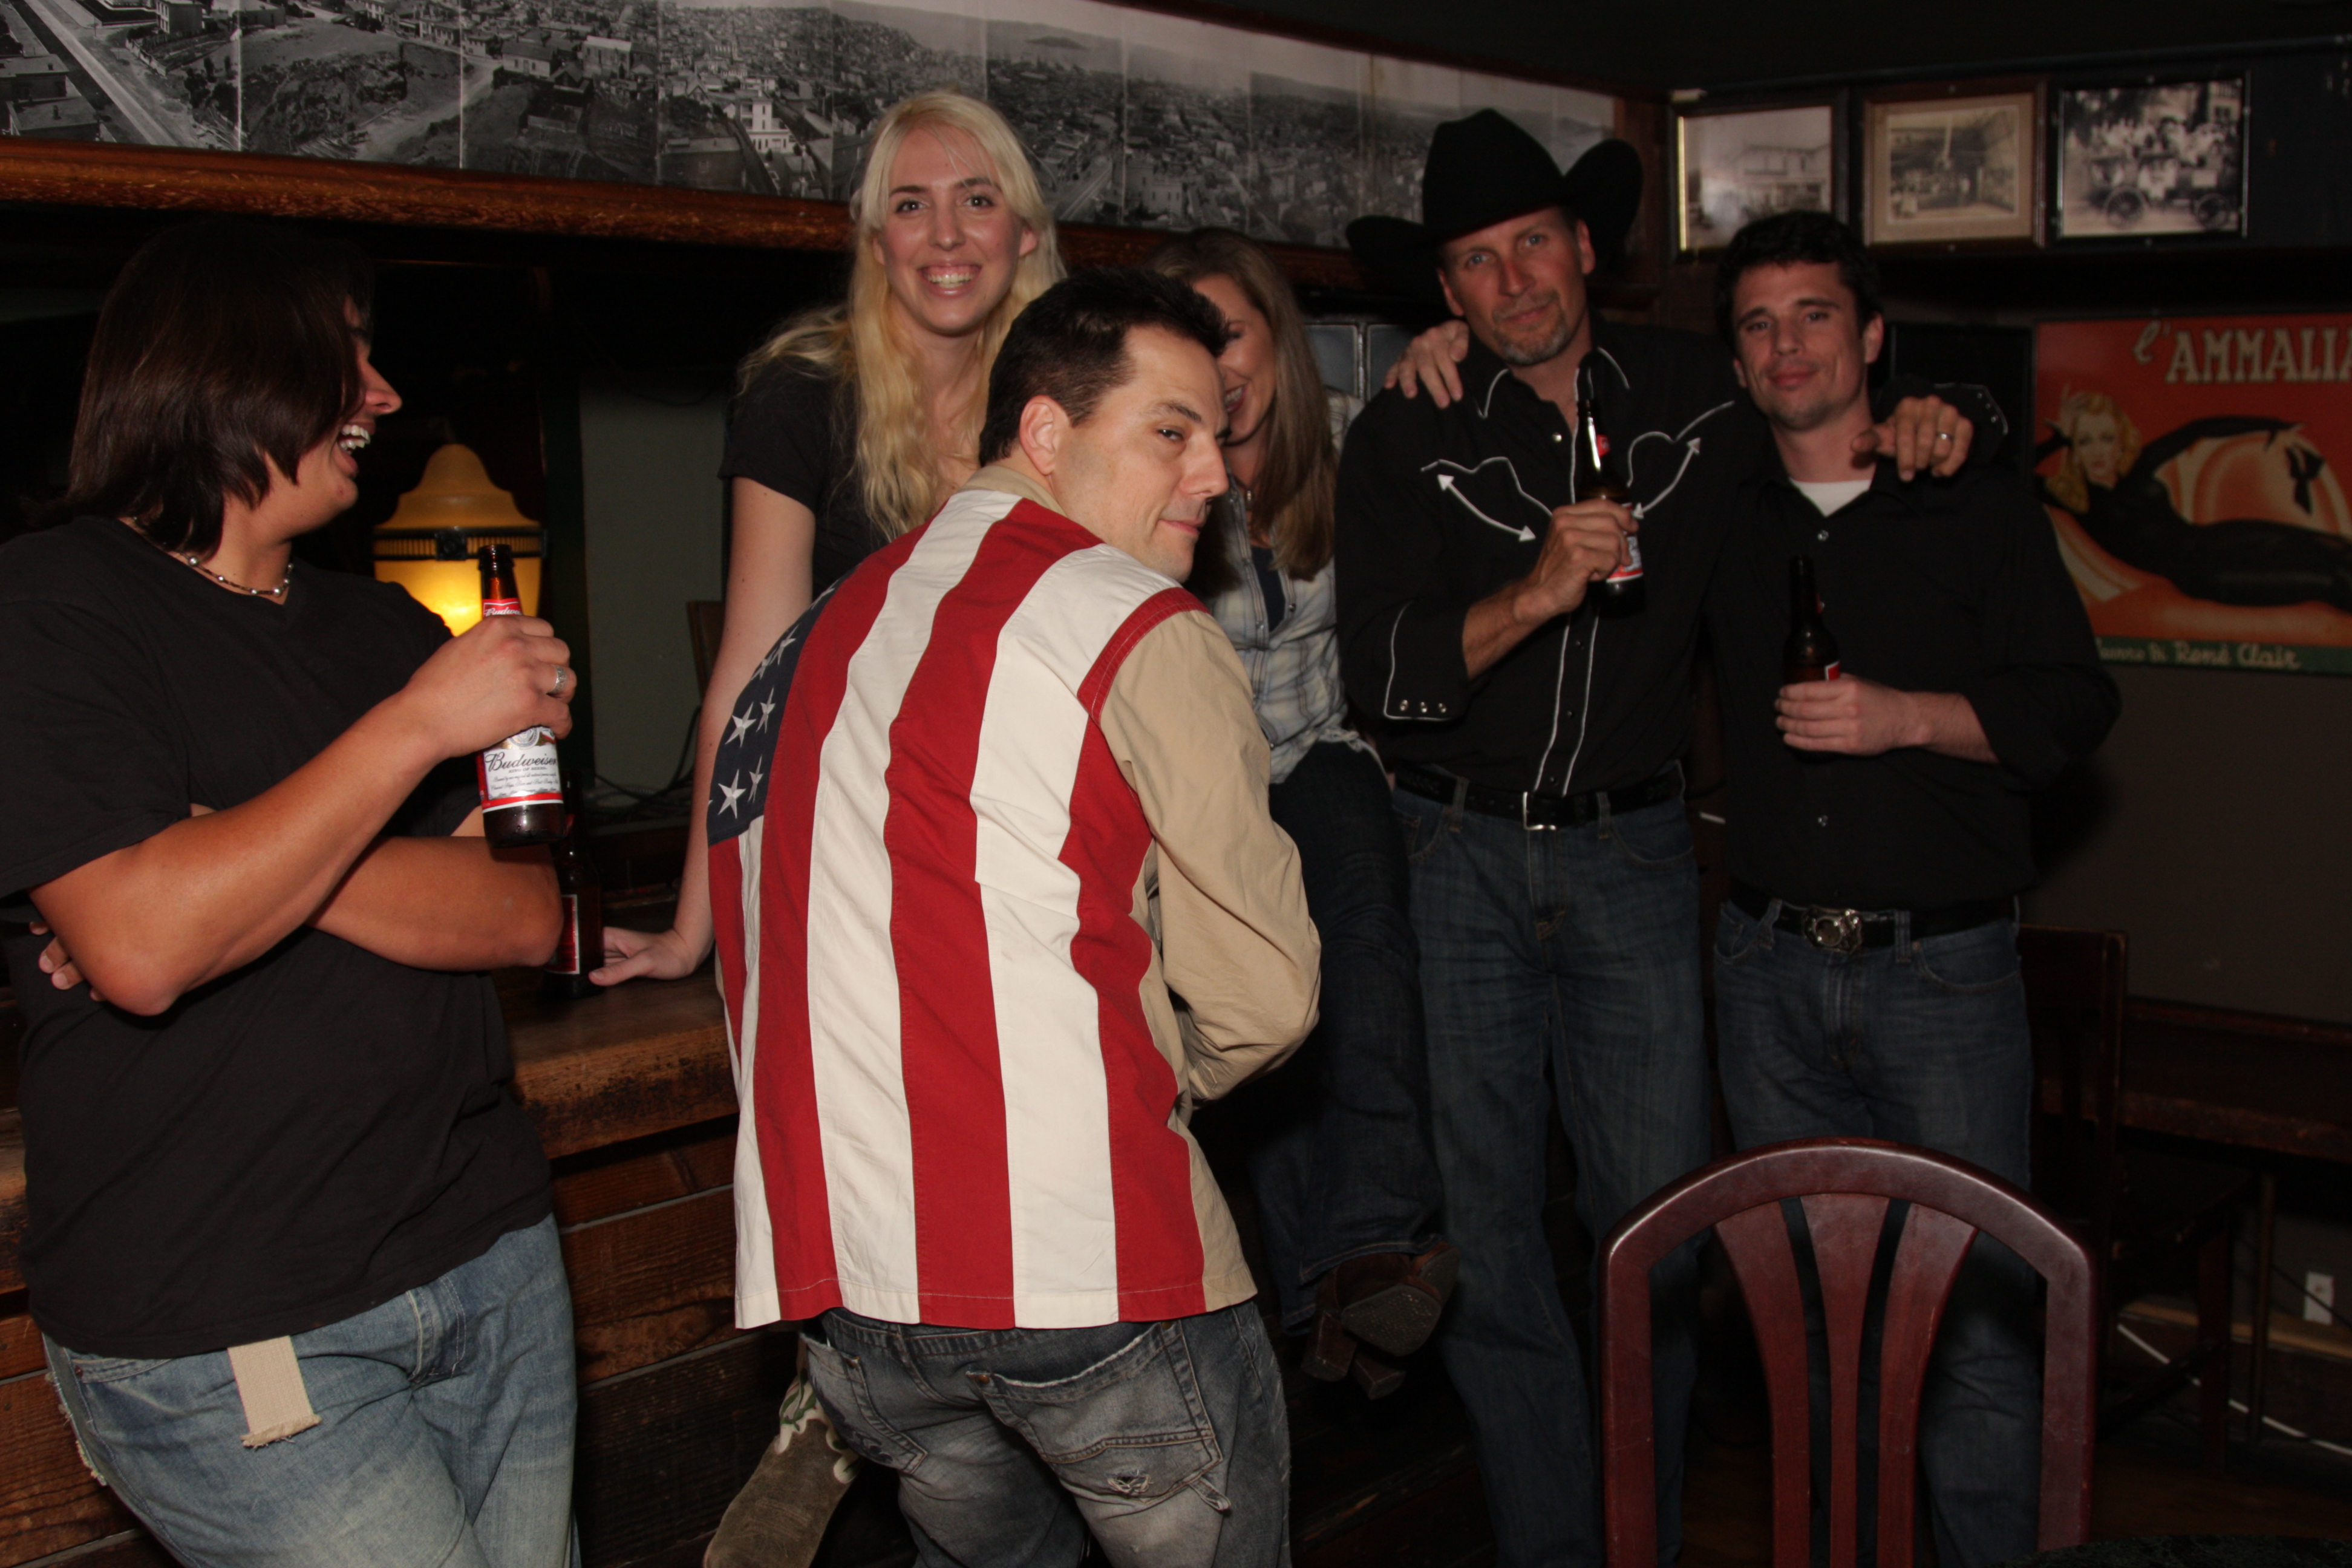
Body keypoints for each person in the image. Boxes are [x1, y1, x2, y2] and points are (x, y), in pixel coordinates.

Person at [1334, 109, 1988, 1568]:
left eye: (1531, 244)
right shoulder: (1406, 429)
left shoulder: (1701, 396)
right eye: (1474, 263)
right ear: (1444, 291)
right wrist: (1530, 593)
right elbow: (1380, 680)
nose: (1511, 282)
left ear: (1584, 246)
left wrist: (1948, 415)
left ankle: (1643, 1545)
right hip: (1452, 857)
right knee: (1491, 1242)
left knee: (1659, 1234)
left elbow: (1833, 401)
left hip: (1630, 859)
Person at [705, 268, 1321, 1568]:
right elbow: (1265, 997)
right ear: (1045, 430)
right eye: (1171, 431)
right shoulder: (1135, 620)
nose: (1214, 476)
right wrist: (1144, 1078)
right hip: (1092, 1277)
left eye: (1219, 435)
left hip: (854, 1312)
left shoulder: (799, 648)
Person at [0, 219, 580, 1567]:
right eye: (348, 351)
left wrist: (223, 853)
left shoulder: (387, 629)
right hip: (231, 1312)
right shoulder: (49, 604)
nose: (383, 392)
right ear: (228, 359)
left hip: (487, 1256)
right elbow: (146, 949)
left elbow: (526, 914)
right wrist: (413, 733)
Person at [1705, 210, 2120, 1568]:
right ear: (1738, 359)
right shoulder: (1723, 514)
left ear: (1873, 337)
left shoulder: (1974, 503)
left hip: (1940, 976)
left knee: (1980, 1336)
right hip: (1765, 974)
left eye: (1815, 315)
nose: (1787, 345)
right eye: (1759, 323)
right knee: (1814, 1331)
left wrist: (1907, 719)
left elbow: (2074, 707)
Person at [596, 88, 1062, 988]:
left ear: (1026, 232)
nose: (947, 236)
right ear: (877, 243)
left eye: (977, 199)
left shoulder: (1067, 407)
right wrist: (691, 931)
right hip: (861, 816)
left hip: (1025, 813)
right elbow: (751, 673)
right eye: (910, 205)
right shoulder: (803, 394)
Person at [1146, 228, 1454, 1397]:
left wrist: (1447, 342)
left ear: (1274, 333)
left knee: (1364, 927)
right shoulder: (1152, 472)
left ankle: (1371, 1245)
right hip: (1202, 786)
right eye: (1186, 340)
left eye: (1228, 333)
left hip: (1318, 749)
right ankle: (1324, 1301)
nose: (1217, 366)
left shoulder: (1348, 434)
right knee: (1266, 1020)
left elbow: (1479, 417)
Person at [2038, 389, 2352, 612]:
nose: (2097, 451)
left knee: (2330, 550)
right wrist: (2058, 439)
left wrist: (2271, 423)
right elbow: (2015, 475)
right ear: (2075, 449)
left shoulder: (2137, 469)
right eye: (2084, 441)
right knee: (2328, 583)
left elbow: (2196, 430)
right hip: (2203, 576)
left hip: (2215, 540)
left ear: (2121, 442)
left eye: (2106, 439)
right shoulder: (2075, 498)